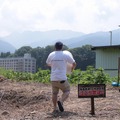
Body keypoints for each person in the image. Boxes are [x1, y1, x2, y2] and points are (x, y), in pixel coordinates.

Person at [46, 41, 76, 113]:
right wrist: (71, 69)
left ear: (55, 47)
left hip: (53, 78)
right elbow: (74, 63)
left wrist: (53, 65)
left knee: (54, 93)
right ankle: (61, 101)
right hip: (62, 78)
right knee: (67, 91)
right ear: (62, 47)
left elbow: (47, 63)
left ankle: (55, 108)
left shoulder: (51, 54)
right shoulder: (65, 55)